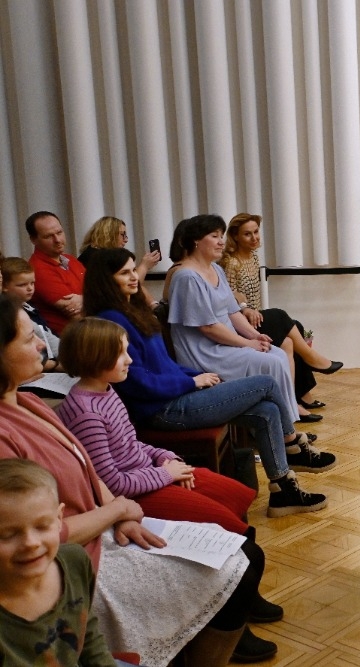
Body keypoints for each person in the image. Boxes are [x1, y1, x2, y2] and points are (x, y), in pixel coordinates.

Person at [0, 293, 267, 666]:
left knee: (243, 550)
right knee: (240, 562)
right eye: (30, 338)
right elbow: (37, 533)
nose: (43, 345)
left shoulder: (28, 402)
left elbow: (88, 468)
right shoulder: (9, 431)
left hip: (108, 524)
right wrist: (120, 509)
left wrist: (123, 511)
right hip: (78, 557)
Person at [82, 247, 333, 517]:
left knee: (267, 411)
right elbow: (138, 382)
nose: (134, 277)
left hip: (175, 397)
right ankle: (293, 446)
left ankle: (283, 491)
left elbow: (164, 365)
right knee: (266, 384)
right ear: (106, 280)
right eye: (124, 273)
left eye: (134, 270)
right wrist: (192, 383)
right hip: (162, 409)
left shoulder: (132, 310)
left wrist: (193, 377)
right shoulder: (111, 320)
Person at [56, 317, 257, 535]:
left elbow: (131, 444)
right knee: (226, 523)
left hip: (151, 474)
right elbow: (111, 484)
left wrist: (165, 457)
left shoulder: (105, 389)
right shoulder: (86, 413)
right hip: (135, 495)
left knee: (233, 493)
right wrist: (166, 474)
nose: (130, 360)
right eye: (120, 354)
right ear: (95, 357)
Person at [165, 215, 322, 423]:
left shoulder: (215, 269)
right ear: (196, 241)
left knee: (278, 355)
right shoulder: (186, 277)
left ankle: (286, 422)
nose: (221, 242)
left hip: (224, 344)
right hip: (206, 352)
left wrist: (256, 336)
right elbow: (208, 327)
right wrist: (248, 343)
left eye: (221, 236)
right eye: (214, 236)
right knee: (271, 362)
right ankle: (285, 428)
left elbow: (232, 312)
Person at [0, 458, 124, 666]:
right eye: (7, 535)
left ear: (59, 519)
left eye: (42, 526)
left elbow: (88, 637)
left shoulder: (75, 561)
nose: (31, 543)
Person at [221, 213, 342, 411]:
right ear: (235, 237)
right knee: (279, 316)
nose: (254, 238)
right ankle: (310, 362)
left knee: (294, 330)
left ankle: (300, 396)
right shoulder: (231, 263)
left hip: (255, 316)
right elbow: (227, 295)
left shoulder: (253, 256)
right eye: (247, 234)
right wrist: (245, 308)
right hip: (242, 322)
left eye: (256, 232)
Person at [26, 211, 86, 335]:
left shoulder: (71, 260)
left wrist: (83, 299)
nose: (57, 240)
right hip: (72, 337)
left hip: (89, 329)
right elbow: (74, 312)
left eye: (59, 232)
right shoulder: (37, 269)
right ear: (33, 240)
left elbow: (98, 289)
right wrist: (95, 298)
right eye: (48, 236)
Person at [78, 216, 160, 305]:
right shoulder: (97, 258)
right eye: (122, 234)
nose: (126, 240)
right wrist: (144, 266)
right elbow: (128, 286)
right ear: (108, 234)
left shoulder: (94, 253)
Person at [2, 256, 60, 371]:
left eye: (32, 283)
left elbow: (47, 336)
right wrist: (56, 365)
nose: (30, 288)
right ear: (4, 286)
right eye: (22, 285)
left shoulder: (30, 307)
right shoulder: (8, 315)